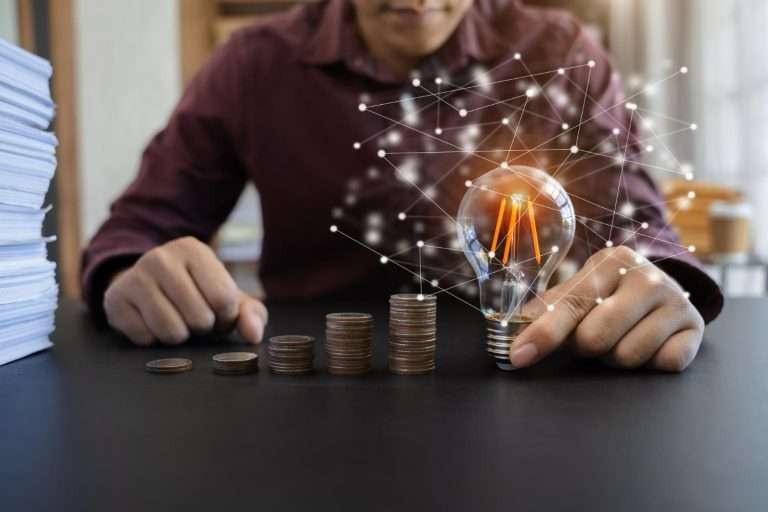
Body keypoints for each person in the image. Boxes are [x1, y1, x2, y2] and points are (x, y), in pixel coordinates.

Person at [82, 0, 723, 371]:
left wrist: (657, 282)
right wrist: (129, 272)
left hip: (522, 383)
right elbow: (137, 230)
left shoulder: (559, 50)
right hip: (310, 396)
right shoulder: (253, 65)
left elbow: (642, 230)